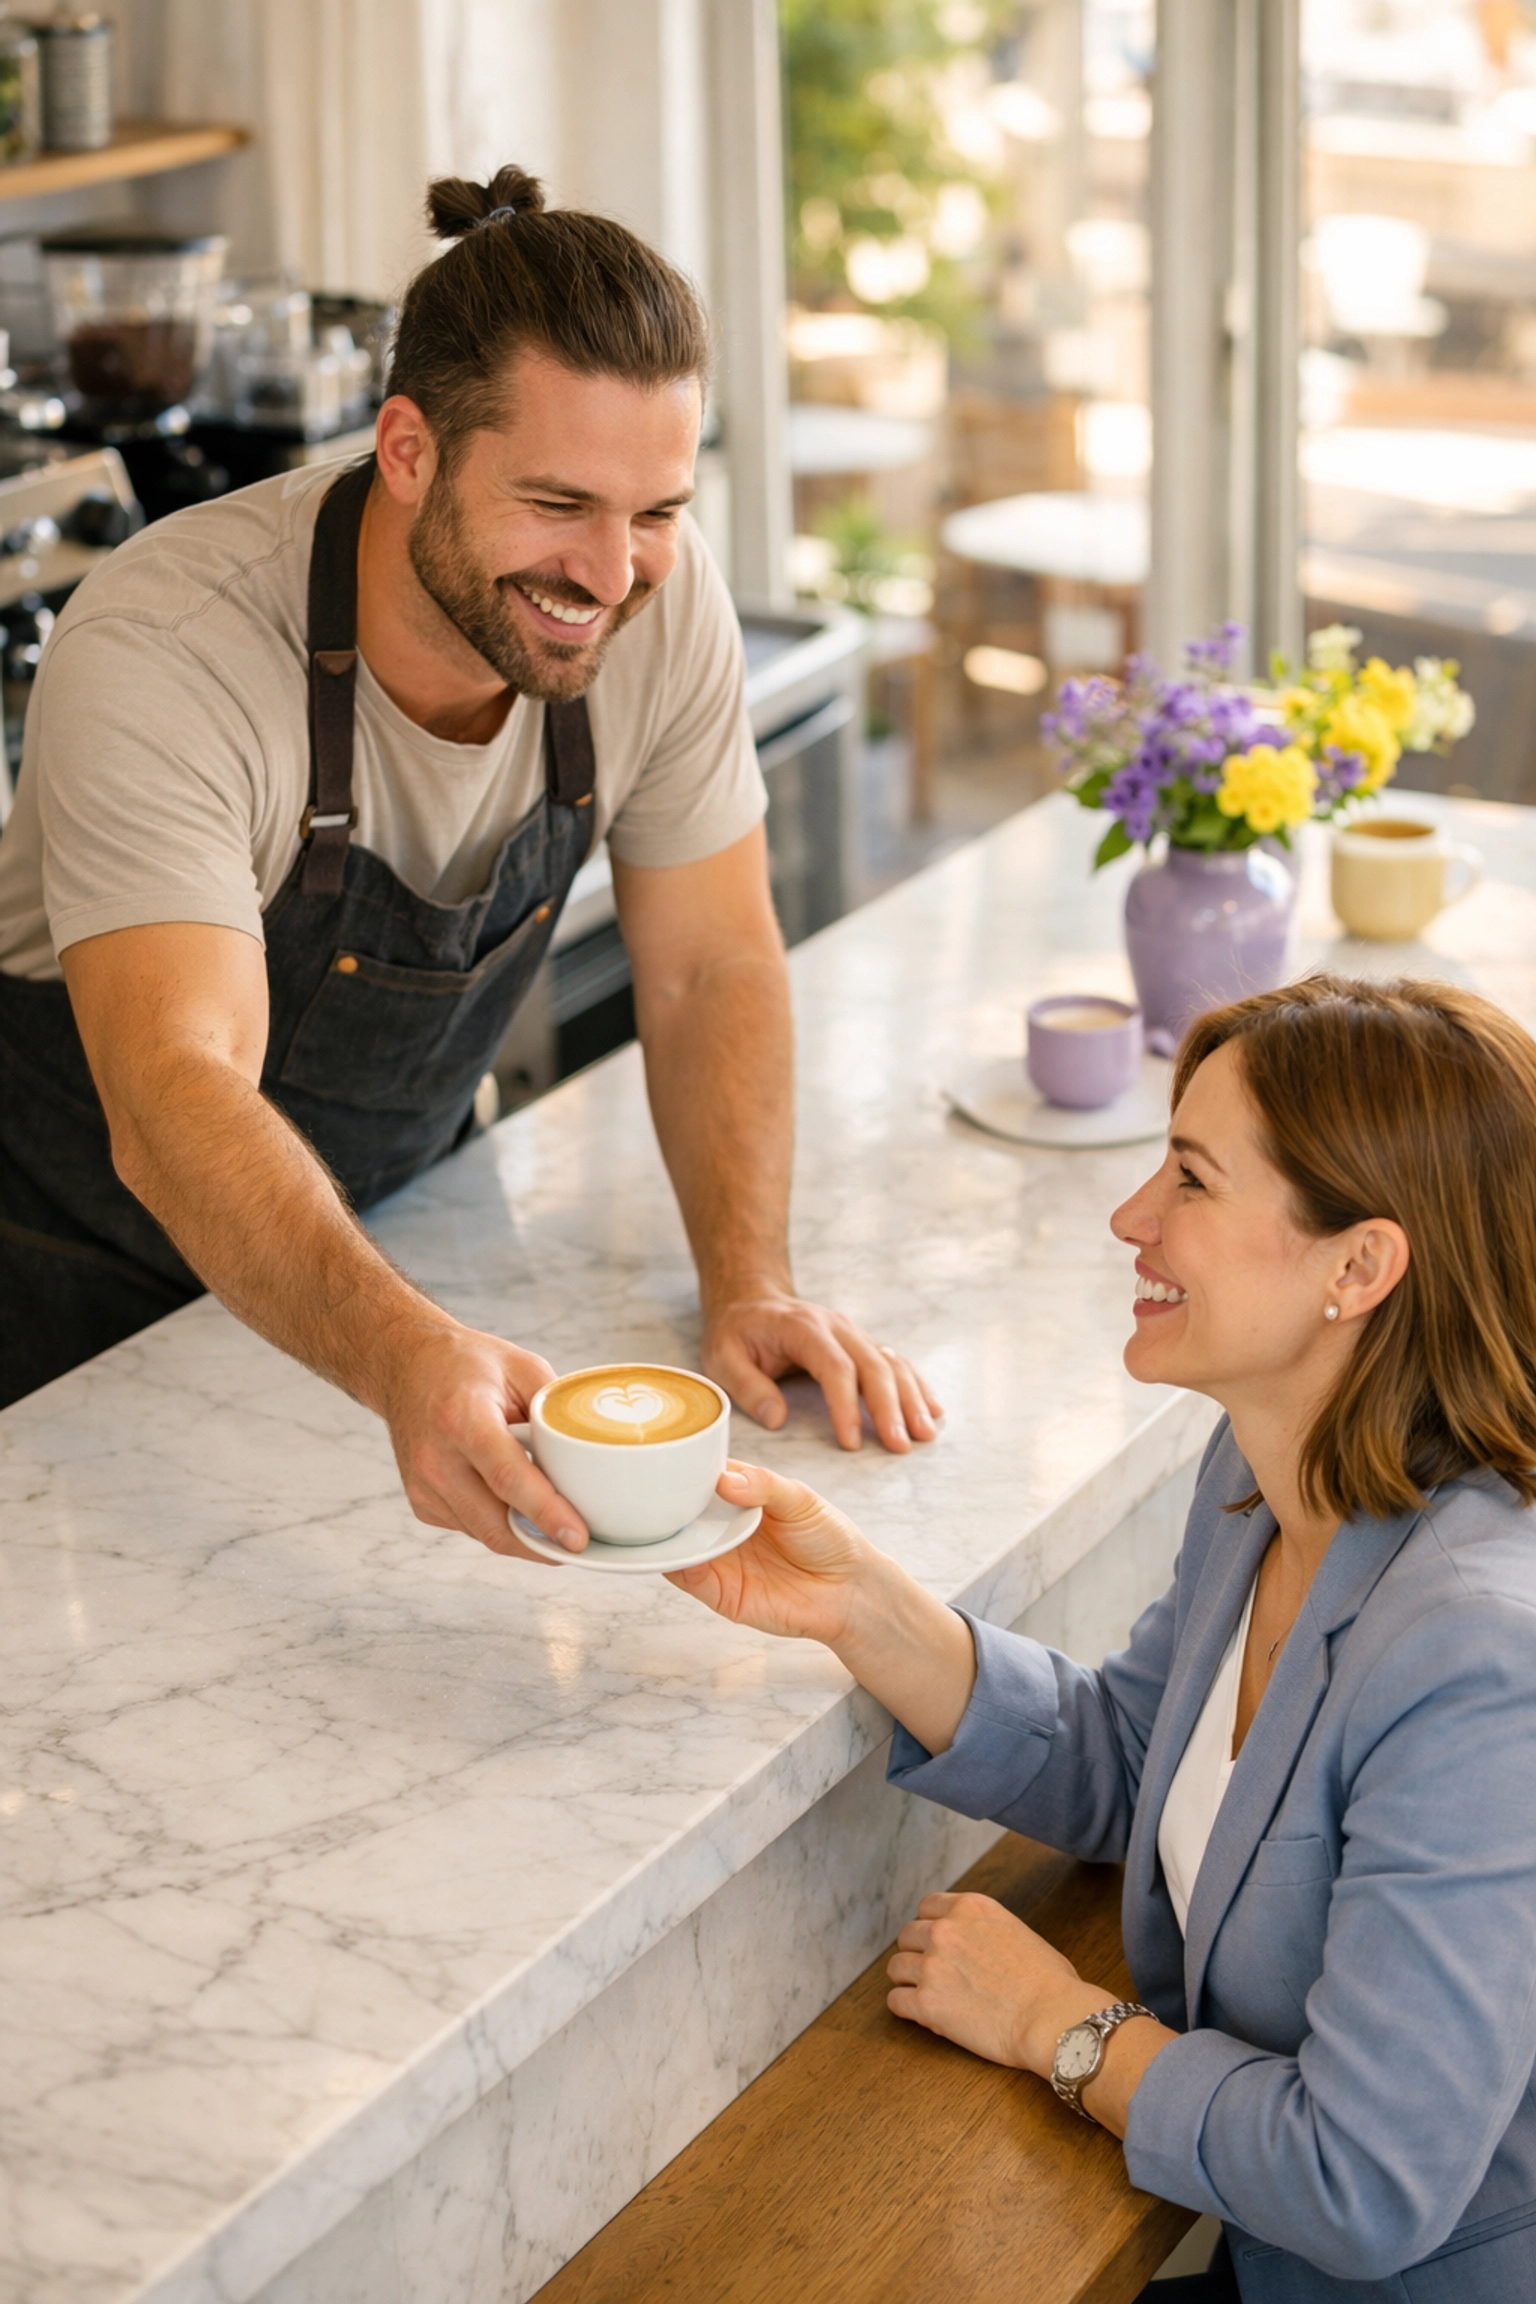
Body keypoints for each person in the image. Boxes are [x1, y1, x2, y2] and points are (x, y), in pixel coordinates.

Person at [0, 163, 938, 1555]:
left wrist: (748, 1280)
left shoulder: (654, 615)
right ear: (407, 450)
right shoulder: (165, 649)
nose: (613, 575)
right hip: (75, 1307)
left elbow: (710, 969)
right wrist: (401, 1356)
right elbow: (174, 1096)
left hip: (403, 1268)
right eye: (559, 504)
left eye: (659, 513)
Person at [673, 974, 1536, 2299]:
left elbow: (1366, 2181)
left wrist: (1056, 2026)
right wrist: (858, 1605)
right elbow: (1148, 1762)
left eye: (1191, 1178)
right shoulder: (1264, 1473)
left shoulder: (1476, 1662)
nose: (1132, 1218)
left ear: (1358, 1267)